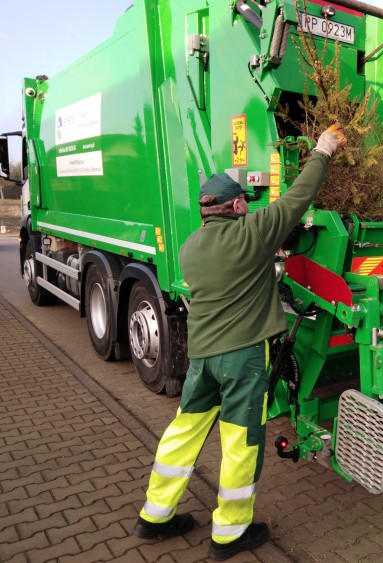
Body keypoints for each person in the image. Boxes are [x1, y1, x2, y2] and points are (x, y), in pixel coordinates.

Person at [133, 123, 346, 560]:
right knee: (240, 441)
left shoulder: (190, 247)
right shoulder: (253, 233)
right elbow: (296, 198)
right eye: (245, 204)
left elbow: (220, 280)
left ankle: (154, 517)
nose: (249, 209)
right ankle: (229, 532)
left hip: (202, 358)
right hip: (243, 358)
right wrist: (323, 150)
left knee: (183, 431)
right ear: (234, 205)